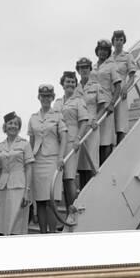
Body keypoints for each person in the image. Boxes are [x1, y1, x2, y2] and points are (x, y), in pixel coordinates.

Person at [27, 84, 68, 233]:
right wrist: (29, 161)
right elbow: (31, 141)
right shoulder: (33, 118)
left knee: (52, 200)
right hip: (37, 161)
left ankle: (52, 234)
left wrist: (61, 157)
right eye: (43, 96)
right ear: (39, 97)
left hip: (52, 161)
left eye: (48, 96)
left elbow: (64, 137)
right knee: (41, 201)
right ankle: (43, 234)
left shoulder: (57, 115)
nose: (46, 99)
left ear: (52, 98)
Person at [0, 112, 34, 235]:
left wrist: (27, 191)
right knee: (2, 223)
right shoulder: (0, 146)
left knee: (16, 223)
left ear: (19, 127)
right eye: (10, 123)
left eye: (16, 124)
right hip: (3, 188)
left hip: (19, 187)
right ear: (5, 126)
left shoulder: (25, 144)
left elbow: (29, 168)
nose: (13, 126)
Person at [53, 71, 89, 218]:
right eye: (67, 81)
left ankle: (73, 213)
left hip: (71, 141)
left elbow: (84, 121)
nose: (70, 84)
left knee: (69, 178)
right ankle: (67, 213)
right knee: (61, 178)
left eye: (73, 82)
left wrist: (78, 139)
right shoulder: (57, 102)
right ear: (62, 84)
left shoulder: (79, 101)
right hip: (57, 142)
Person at [75, 57, 104, 188]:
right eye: (81, 68)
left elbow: (102, 106)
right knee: (81, 162)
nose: (84, 70)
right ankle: (82, 190)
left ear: (90, 69)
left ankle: (93, 189)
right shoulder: (75, 88)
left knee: (91, 159)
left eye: (86, 67)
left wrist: (97, 119)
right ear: (78, 70)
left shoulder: (96, 86)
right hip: (79, 127)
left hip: (92, 126)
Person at [94, 39, 122, 165]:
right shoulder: (93, 67)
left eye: (105, 50)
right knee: (94, 137)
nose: (102, 52)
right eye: (101, 49)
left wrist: (112, 104)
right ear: (97, 50)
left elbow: (118, 86)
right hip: (93, 105)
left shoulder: (112, 65)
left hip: (105, 105)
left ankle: (105, 166)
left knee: (105, 138)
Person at [111, 30, 137, 145]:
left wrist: (126, 87)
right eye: (116, 39)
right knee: (109, 123)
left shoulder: (127, 56)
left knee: (120, 124)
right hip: (108, 91)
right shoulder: (109, 58)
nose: (119, 42)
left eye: (121, 40)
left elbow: (132, 76)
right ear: (113, 41)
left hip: (121, 91)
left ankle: (120, 148)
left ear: (124, 41)